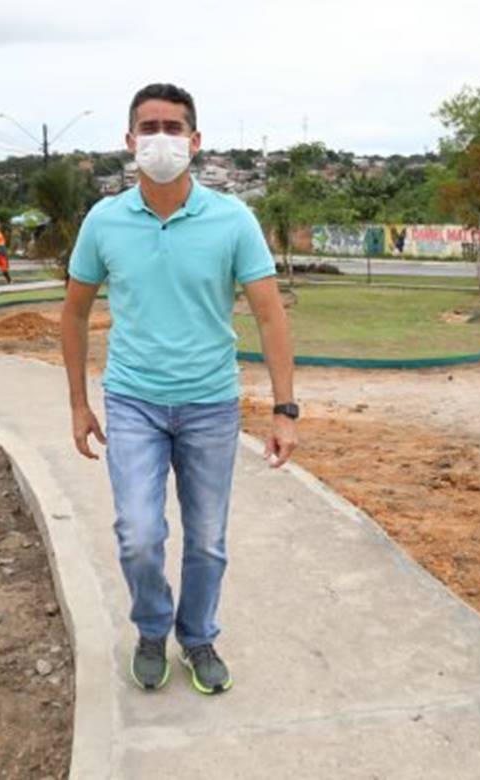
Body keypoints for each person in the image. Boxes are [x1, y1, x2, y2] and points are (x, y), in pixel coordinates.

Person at [62, 83, 298, 696]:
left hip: (210, 404)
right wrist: (79, 404)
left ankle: (197, 637)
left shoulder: (232, 219)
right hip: (133, 401)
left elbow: (270, 315)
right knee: (139, 535)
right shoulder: (104, 221)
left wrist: (285, 409)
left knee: (208, 540)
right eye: (149, 128)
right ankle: (151, 628)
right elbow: (74, 313)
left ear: (195, 141)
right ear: (129, 140)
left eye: (173, 128)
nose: (160, 139)